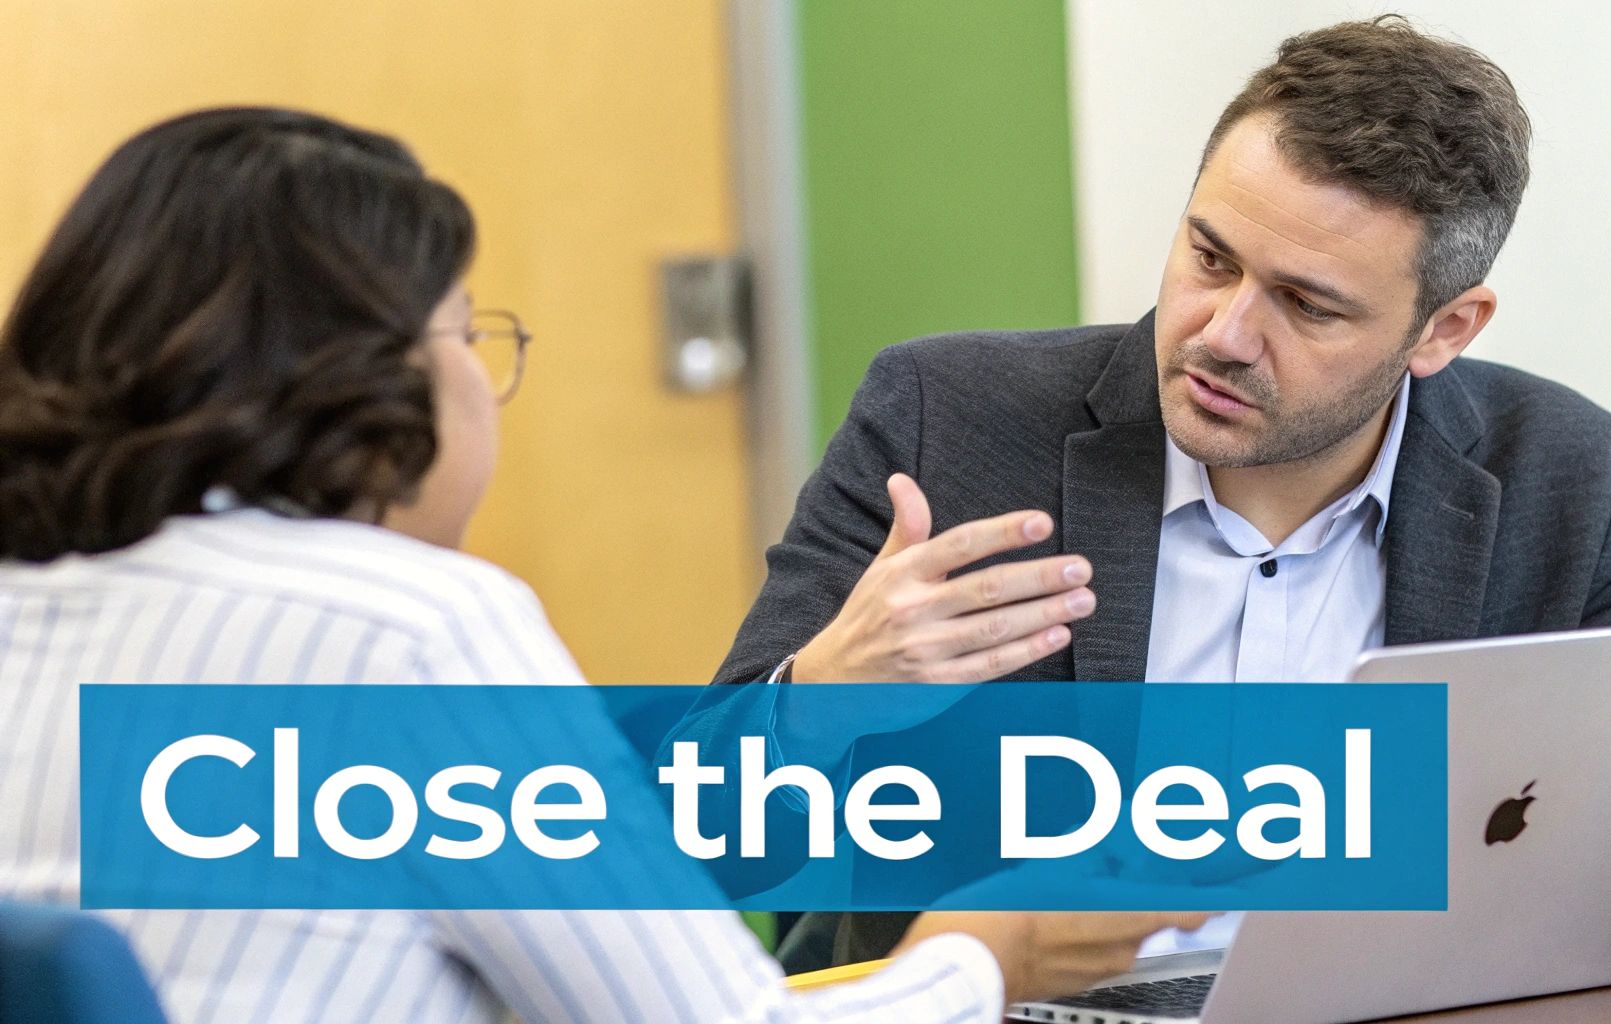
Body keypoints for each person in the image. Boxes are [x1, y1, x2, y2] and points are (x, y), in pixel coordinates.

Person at [0, 106, 1204, 1023]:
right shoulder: (409, 631)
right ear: (357, 381)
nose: (485, 379)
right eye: (465, 332)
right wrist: (983, 959)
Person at [714, 16, 1611, 974]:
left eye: (1305, 305)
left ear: (1443, 330)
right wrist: (818, 698)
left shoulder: (1559, 468)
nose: (1221, 333)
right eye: (1209, 257)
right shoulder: (946, 421)